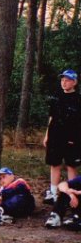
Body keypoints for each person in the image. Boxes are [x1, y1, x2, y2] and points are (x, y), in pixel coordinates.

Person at [43, 69, 81, 204]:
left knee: (71, 166)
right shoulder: (56, 98)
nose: (64, 83)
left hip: (72, 139)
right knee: (55, 164)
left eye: (67, 80)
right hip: (55, 137)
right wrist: (47, 135)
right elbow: (51, 117)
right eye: (62, 80)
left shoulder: (78, 99)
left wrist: (76, 138)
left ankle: (72, 196)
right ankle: (53, 193)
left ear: (74, 82)